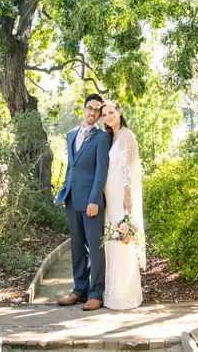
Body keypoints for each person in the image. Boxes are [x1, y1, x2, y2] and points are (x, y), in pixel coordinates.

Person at [55, 93, 111, 310]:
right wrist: (64, 189)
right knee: (77, 247)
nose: (93, 113)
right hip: (72, 199)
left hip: (91, 202)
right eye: (90, 108)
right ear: (84, 108)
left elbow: (101, 172)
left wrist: (95, 199)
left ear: (99, 114)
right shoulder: (71, 135)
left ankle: (96, 294)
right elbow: (72, 166)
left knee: (95, 249)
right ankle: (79, 290)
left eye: (97, 110)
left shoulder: (102, 138)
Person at [101, 100, 144, 310]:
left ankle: (124, 294)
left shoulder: (127, 135)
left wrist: (128, 196)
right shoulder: (110, 136)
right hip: (109, 194)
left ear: (119, 112)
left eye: (111, 112)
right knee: (111, 238)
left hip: (121, 193)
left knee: (121, 237)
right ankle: (111, 291)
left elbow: (129, 169)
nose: (107, 116)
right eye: (104, 114)